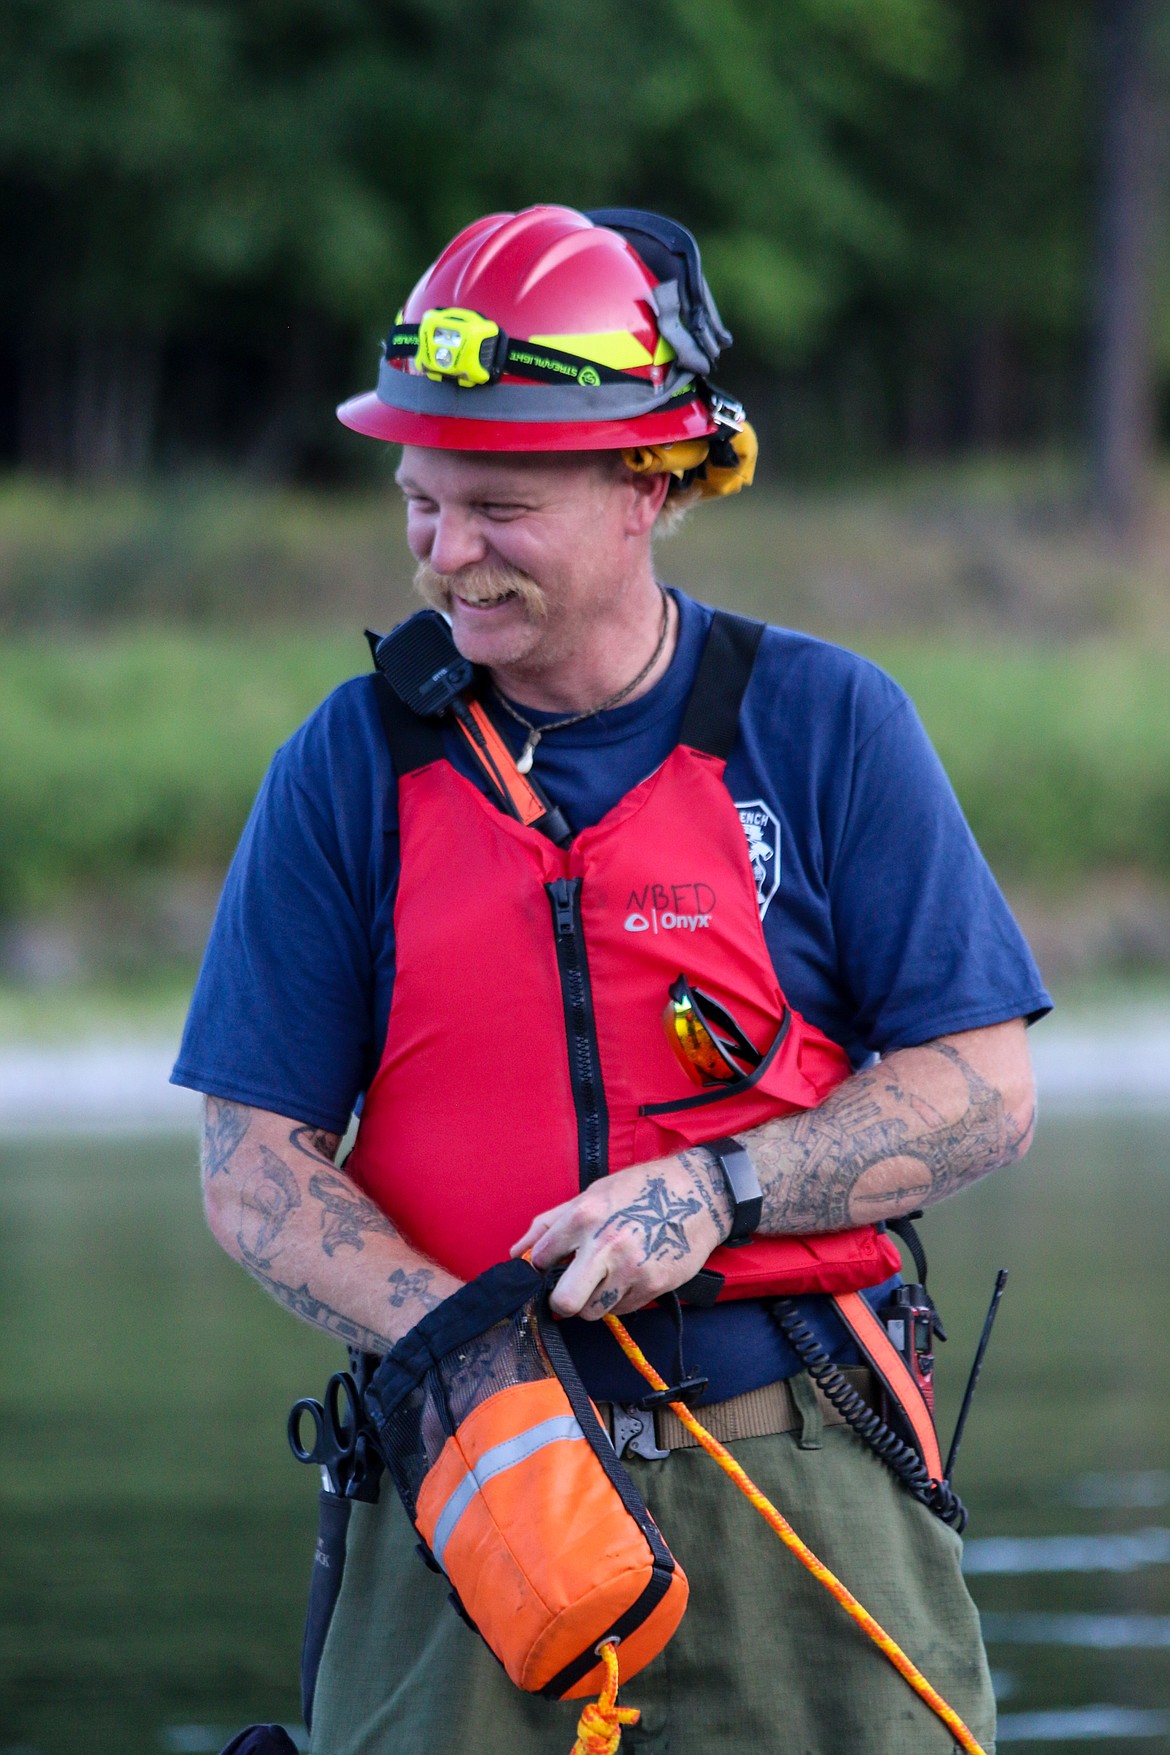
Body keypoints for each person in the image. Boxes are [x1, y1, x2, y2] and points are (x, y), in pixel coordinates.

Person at [174, 205, 1050, 1754]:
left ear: (646, 481)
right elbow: (251, 1167)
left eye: (498, 507)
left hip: (800, 1478)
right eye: (419, 502)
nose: (447, 554)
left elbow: (981, 1088)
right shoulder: (346, 767)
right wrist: (465, 1352)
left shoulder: (827, 723)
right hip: (471, 1498)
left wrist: (710, 1193)